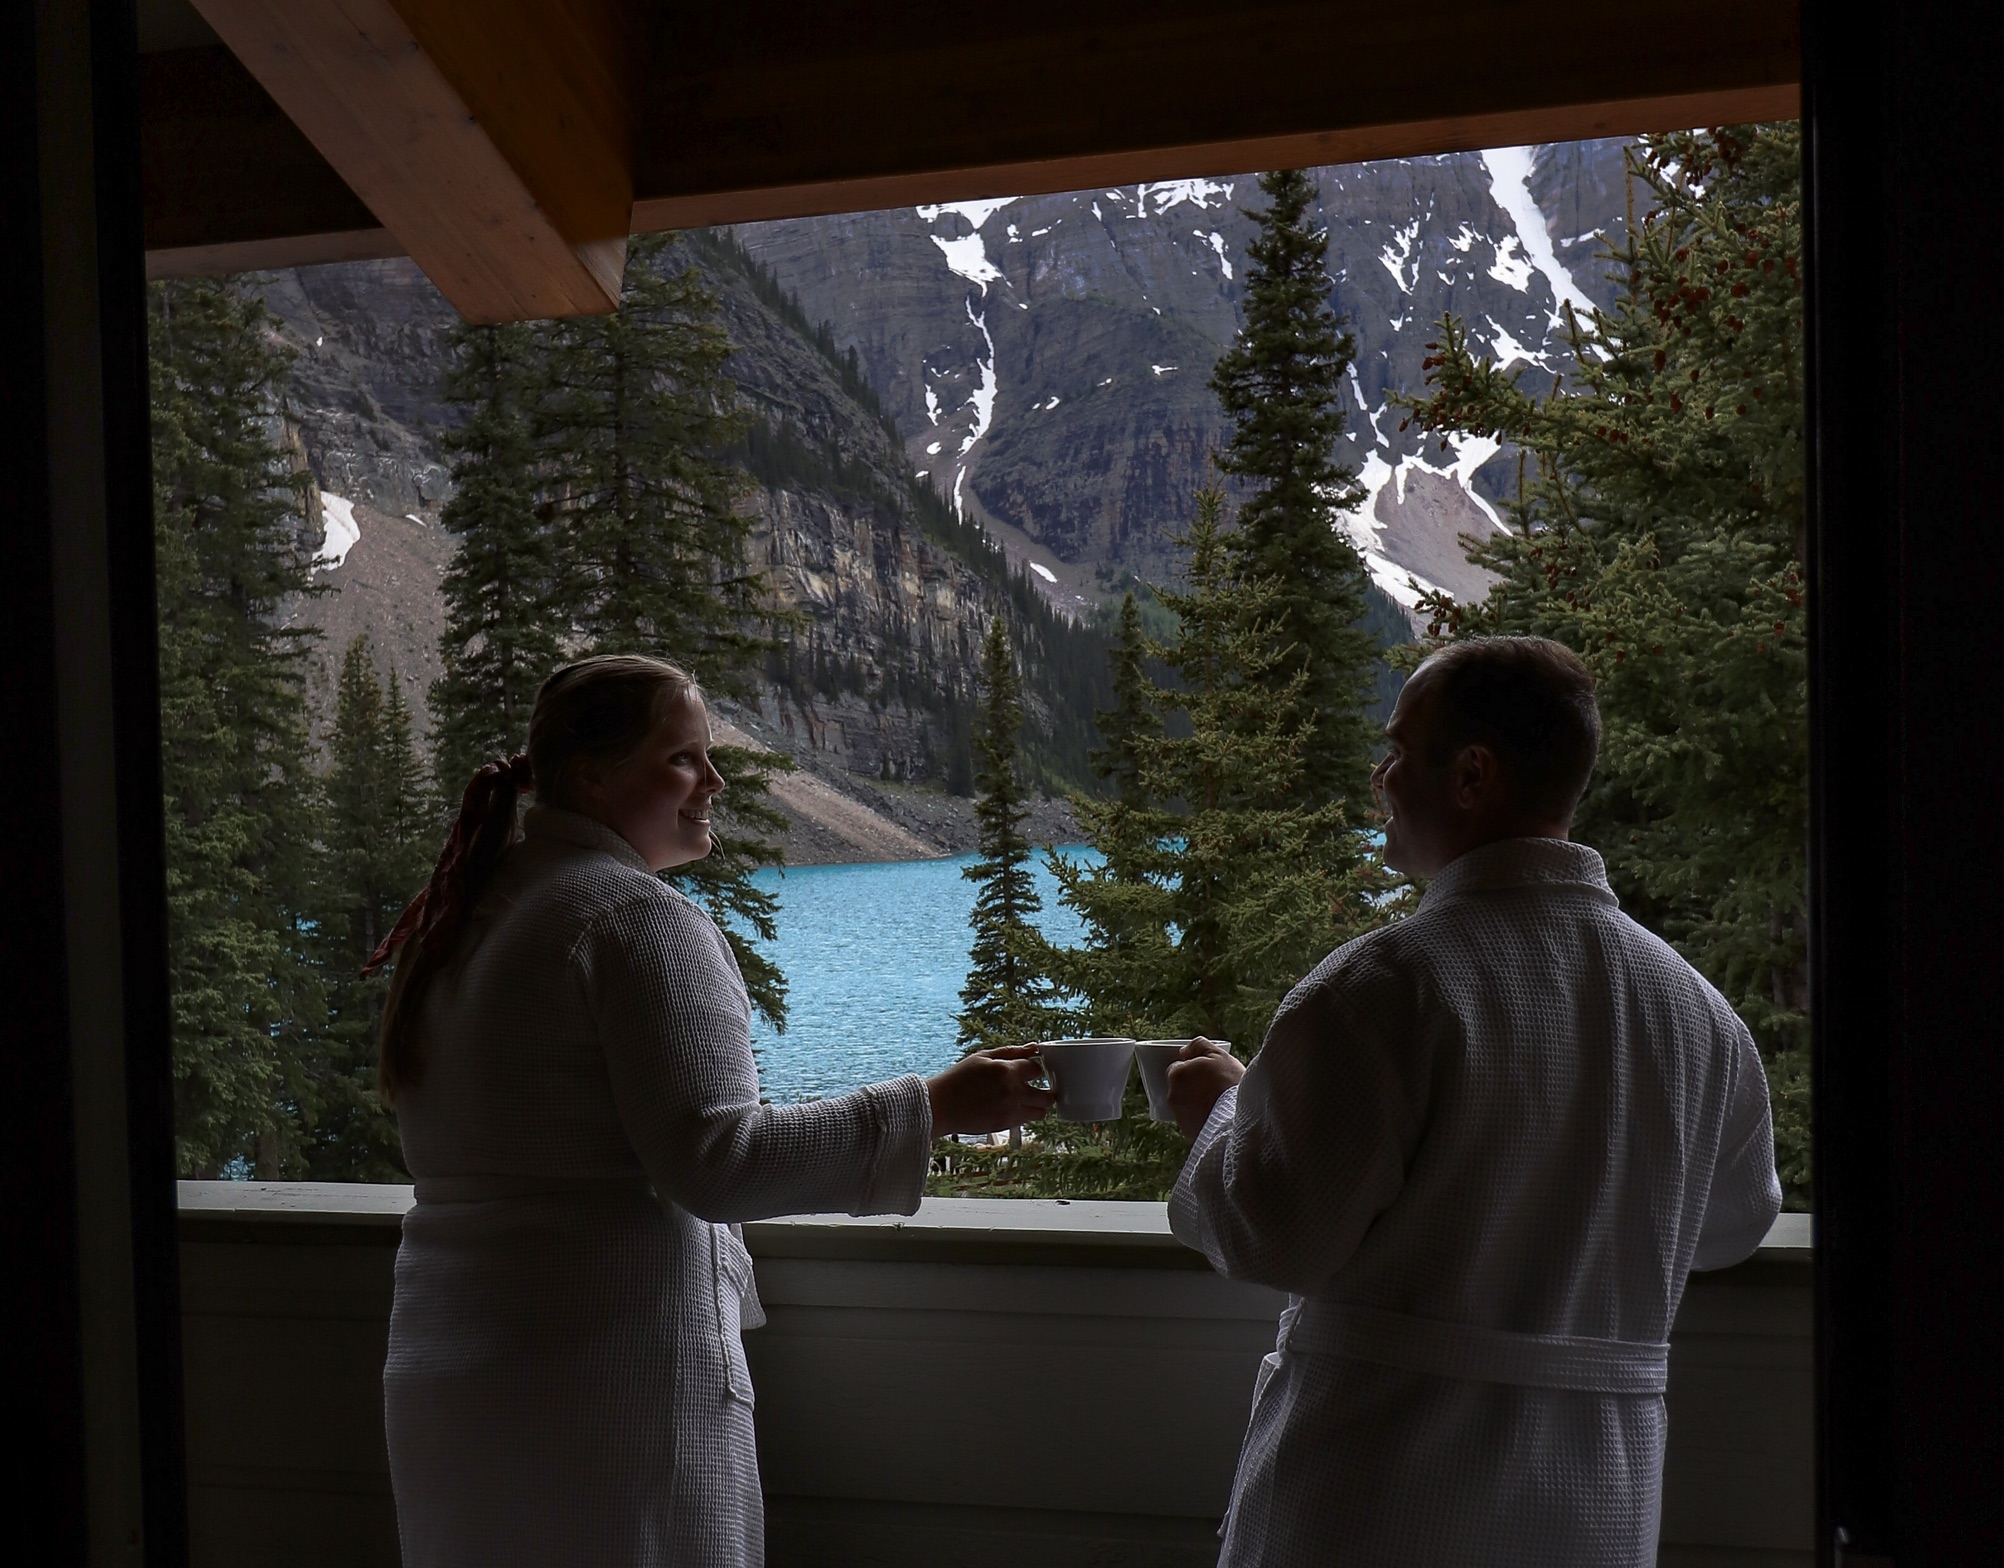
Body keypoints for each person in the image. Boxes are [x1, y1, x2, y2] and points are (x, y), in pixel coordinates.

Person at [373, 654, 1054, 1568]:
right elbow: (716, 1160)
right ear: (592, 776)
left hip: (455, 1371)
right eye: (684, 758)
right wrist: (934, 1106)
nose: (715, 780)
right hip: (602, 1389)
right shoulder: (632, 918)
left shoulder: (464, 917)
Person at [1163, 635, 1782, 1567]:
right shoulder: (1698, 1013)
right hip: (1593, 1508)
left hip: (1379, 1497)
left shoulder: (1381, 989)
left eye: (1401, 751)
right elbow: (1733, 1226)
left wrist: (1217, 1111)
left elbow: (1273, 1233)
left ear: (1472, 776)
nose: (1383, 776)